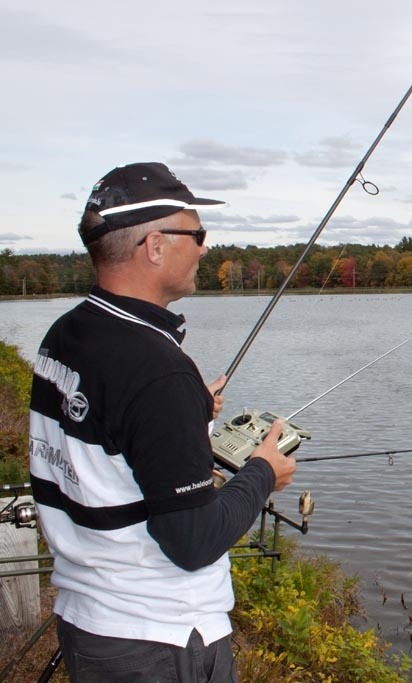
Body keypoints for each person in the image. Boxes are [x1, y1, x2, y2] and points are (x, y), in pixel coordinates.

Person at [28, 162, 296, 682]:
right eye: (196, 234)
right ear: (154, 245)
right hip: (161, 639)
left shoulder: (68, 333)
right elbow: (192, 542)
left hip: (92, 620)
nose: (203, 247)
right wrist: (263, 473)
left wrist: (186, 412)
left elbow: (106, 442)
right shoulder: (157, 371)